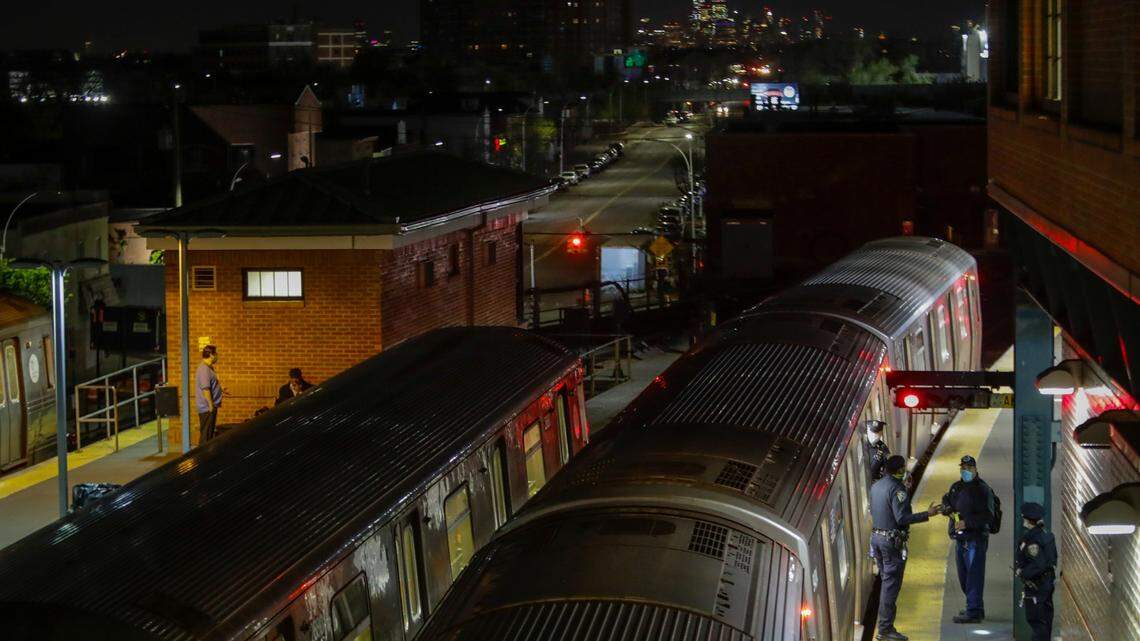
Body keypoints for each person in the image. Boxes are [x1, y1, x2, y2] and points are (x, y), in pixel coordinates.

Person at [870, 455, 941, 641]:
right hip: (891, 543)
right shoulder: (897, 488)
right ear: (900, 470)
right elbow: (901, 518)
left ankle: (884, 626)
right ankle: (885, 629)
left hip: (877, 539)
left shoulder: (876, 486)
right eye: (903, 468)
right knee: (890, 586)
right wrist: (928, 514)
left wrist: (906, 492)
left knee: (886, 582)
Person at [940, 454, 996, 623]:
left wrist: (966, 523)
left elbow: (988, 516)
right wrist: (946, 508)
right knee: (964, 576)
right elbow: (947, 499)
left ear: (975, 469)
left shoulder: (983, 489)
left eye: (969, 468)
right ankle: (975, 606)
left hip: (975, 539)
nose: (965, 471)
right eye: (963, 468)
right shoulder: (957, 487)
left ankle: (973, 611)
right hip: (960, 540)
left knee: (974, 575)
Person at [1015, 502, 1057, 641]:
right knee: (1045, 620)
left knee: (1037, 621)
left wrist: (1022, 572)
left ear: (1026, 520)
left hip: (1037, 586)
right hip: (1047, 584)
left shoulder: (1032, 540)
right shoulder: (1047, 536)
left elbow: (1038, 564)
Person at [196, 345, 222, 444]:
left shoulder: (209, 368)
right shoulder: (204, 369)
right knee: (206, 437)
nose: (217, 356)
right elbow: (205, 389)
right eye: (216, 354)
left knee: (208, 435)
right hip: (207, 408)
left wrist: (221, 389)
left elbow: (211, 384)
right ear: (211, 355)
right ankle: (201, 458)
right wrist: (210, 405)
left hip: (210, 407)